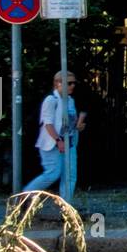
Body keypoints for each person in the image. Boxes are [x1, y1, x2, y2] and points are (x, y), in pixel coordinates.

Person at [23, 72, 86, 204]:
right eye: (69, 83)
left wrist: (78, 126)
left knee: (70, 176)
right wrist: (58, 140)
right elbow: (48, 123)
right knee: (52, 173)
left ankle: (66, 207)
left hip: (69, 142)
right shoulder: (51, 100)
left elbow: (68, 123)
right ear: (58, 83)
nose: (72, 86)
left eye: (74, 83)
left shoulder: (70, 101)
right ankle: (25, 195)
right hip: (52, 144)